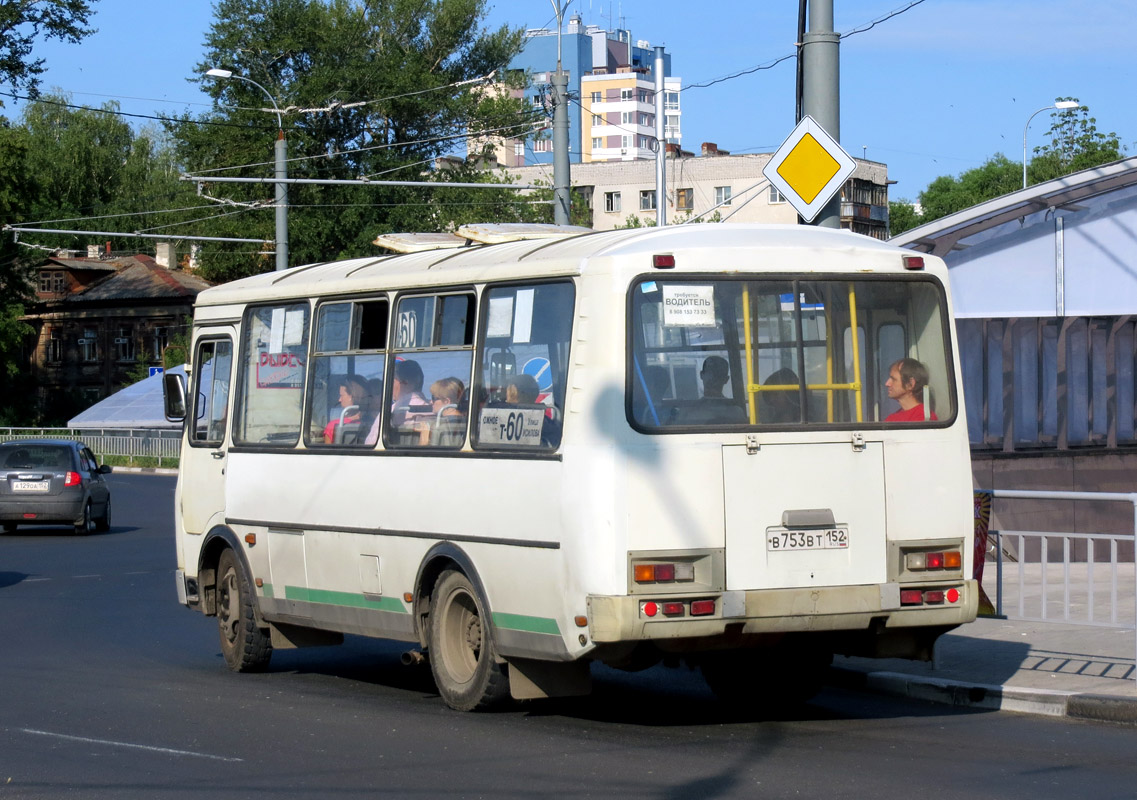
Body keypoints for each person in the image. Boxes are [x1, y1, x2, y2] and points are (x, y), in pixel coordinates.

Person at [884, 357, 938, 422]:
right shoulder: (891, 419)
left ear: (910, 384)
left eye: (894, 379)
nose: (887, 384)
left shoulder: (924, 417)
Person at [418, 376, 466, 446]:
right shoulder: (464, 421)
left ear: (446, 401)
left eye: (434, 398)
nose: (431, 402)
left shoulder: (441, 426)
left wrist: (424, 438)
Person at [323, 376, 366, 443]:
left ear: (351, 397)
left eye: (341, 395)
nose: (339, 399)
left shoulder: (333, 425)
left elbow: (328, 451)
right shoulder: (371, 422)